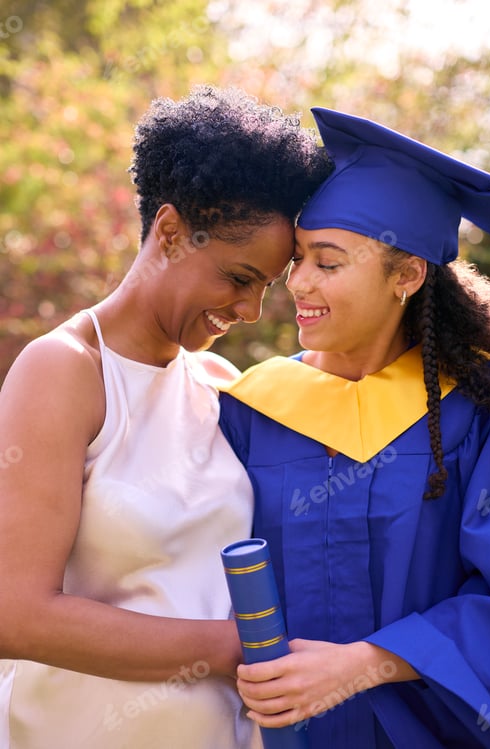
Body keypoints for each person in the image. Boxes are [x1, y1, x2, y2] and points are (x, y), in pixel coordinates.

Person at [0, 85, 332, 749]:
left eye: (267, 285)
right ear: (173, 233)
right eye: (239, 277)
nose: (251, 311)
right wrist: (234, 647)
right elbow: (16, 612)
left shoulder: (223, 386)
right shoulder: (65, 370)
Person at [218, 108, 490, 748]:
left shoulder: (479, 411)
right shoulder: (250, 411)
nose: (298, 284)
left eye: (329, 262)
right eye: (297, 258)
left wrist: (366, 663)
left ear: (407, 275)